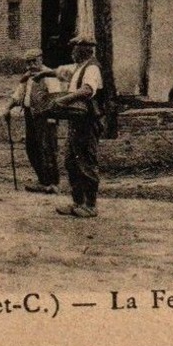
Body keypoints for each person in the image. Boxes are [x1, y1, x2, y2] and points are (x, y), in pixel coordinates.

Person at [49, 35, 105, 219]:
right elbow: (60, 74)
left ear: (84, 50)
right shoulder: (79, 68)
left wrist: (64, 100)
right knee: (71, 162)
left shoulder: (92, 68)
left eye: (74, 48)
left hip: (87, 122)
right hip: (76, 121)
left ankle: (90, 205)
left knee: (86, 162)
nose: (72, 52)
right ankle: (77, 202)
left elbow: (87, 90)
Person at [6, 48, 61, 194]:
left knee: (47, 148)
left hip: (46, 117)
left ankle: (52, 183)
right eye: (28, 62)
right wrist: (8, 108)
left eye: (33, 61)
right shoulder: (27, 76)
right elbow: (19, 94)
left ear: (41, 60)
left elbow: (55, 98)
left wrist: (52, 118)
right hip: (31, 116)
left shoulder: (49, 75)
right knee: (32, 148)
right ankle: (42, 180)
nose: (30, 65)